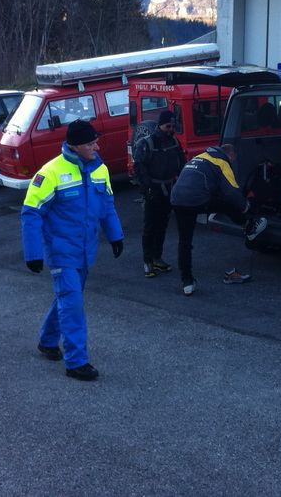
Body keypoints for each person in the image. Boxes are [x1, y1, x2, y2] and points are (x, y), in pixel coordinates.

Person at [21, 119, 124, 382]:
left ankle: (47, 341)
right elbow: (31, 213)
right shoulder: (50, 172)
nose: (97, 147)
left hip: (85, 251)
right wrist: (33, 253)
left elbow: (107, 206)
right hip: (61, 252)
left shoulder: (100, 169)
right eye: (91, 144)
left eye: (96, 142)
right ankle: (77, 362)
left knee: (68, 297)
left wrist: (115, 236)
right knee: (73, 304)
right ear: (75, 146)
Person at [170, 144, 266, 295]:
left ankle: (186, 282)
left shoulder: (199, 157)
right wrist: (244, 207)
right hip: (197, 199)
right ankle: (249, 226)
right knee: (227, 205)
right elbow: (231, 191)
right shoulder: (222, 161)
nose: (232, 162)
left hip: (177, 199)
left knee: (184, 241)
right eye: (233, 160)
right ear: (230, 155)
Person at [132, 109, 185, 278]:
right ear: (160, 125)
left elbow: (182, 165)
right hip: (153, 191)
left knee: (162, 226)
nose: (171, 129)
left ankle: (157, 258)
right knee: (150, 227)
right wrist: (147, 189)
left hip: (168, 190)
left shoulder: (175, 143)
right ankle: (147, 261)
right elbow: (139, 166)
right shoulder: (147, 143)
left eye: (173, 126)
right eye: (167, 126)